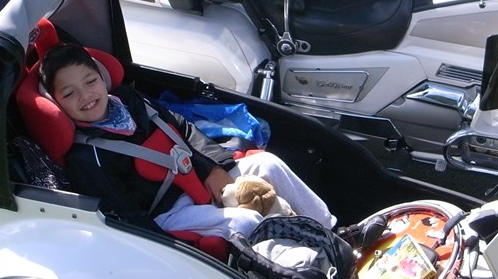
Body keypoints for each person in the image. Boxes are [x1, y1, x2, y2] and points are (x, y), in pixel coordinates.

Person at [39, 43, 335, 240]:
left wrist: (213, 166)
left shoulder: (130, 101)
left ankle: (329, 231)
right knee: (244, 223)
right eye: (69, 93)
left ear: (102, 79)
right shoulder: (86, 156)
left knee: (268, 164)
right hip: (168, 214)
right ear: (56, 103)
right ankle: (302, 260)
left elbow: (181, 126)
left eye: (90, 82)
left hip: (195, 173)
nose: (86, 96)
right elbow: (125, 216)